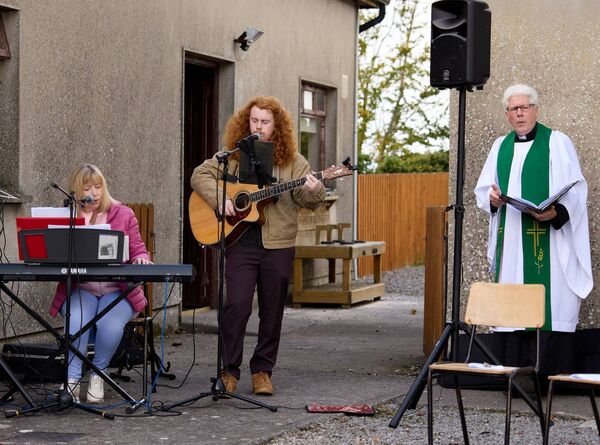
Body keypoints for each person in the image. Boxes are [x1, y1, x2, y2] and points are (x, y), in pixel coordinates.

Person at [190, 96, 325, 395]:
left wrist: (317, 190)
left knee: (272, 310)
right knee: (236, 305)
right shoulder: (235, 155)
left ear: (277, 126)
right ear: (246, 121)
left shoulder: (294, 161)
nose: (259, 126)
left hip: (278, 244)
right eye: (254, 121)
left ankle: (262, 371)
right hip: (239, 242)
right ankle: (228, 371)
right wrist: (220, 199)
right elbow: (199, 175)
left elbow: (307, 200)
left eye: (265, 122)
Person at [475, 84, 593, 333]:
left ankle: (547, 368)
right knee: (511, 313)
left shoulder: (556, 142)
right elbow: (484, 189)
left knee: (549, 303)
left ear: (535, 110)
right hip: (510, 240)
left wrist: (556, 213)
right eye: (513, 109)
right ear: (507, 114)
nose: (519, 113)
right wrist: (493, 199)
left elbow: (577, 189)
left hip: (550, 239)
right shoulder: (500, 146)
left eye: (524, 107)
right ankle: (512, 368)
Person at [49, 163, 152, 403]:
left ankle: (98, 373)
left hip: (118, 289)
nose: (94, 193)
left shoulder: (123, 213)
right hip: (80, 288)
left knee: (109, 325)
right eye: (87, 187)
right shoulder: (68, 216)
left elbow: (138, 248)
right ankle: (72, 380)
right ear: (77, 190)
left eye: (98, 187)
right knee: (77, 321)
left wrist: (141, 258)